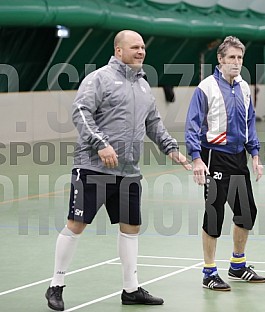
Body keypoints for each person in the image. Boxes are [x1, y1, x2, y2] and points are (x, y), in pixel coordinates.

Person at [45, 29, 191, 311]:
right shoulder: (99, 79)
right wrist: (100, 144)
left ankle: (131, 289)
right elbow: (81, 112)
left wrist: (171, 148)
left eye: (143, 48)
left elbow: (153, 123)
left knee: (131, 228)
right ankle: (56, 285)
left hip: (129, 171)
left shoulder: (144, 85)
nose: (141, 52)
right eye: (135, 47)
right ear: (118, 50)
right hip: (92, 168)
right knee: (76, 225)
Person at [185, 36, 265, 291]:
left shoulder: (243, 87)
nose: (236, 62)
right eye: (231, 57)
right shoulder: (206, 88)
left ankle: (237, 265)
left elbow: (249, 122)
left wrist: (254, 154)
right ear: (220, 59)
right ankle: (209, 272)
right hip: (213, 157)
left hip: (238, 157)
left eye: (240, 57)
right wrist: (196, 158)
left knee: (246, 213)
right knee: (214, 215)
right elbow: (193, 125)